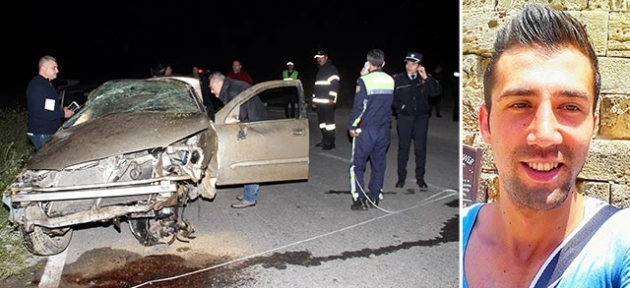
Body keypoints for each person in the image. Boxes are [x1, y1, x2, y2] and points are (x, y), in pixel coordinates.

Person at [462, 4, 630, 288]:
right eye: (520, 104)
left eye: (570, 107)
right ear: (486, 124)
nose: (544, 135)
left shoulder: (619, 245)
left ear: (593, 125)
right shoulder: (461, 230)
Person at [208, 72, 268, 208]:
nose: (211, 91)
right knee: (248, 161)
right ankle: (250, 190)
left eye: (212, 88)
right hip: (254, 124)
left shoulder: (233, 91)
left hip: (253, 127)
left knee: (248, 162)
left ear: (218, 83)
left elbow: (239, 115)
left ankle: (250, 198)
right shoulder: (232, 87)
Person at [348, 49, 394, 210]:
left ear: (368, 63)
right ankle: (375, 196)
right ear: (383, 63)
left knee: (357, 165)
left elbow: (359, 107)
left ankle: (359, 199)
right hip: (384, 130)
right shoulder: (390, 80)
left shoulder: (364, 81)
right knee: (379, 164)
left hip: (367, 130)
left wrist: (352, 125)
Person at [392, 52, 442, 189]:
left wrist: (426, 77)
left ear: (419, 65)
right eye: (408, 63)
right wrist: (400, 107)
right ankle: (401, 178)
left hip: (421, 118)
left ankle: (420, 178)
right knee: (403, 148)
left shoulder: (425, 79)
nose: (409, 66)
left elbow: (436, 93)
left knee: (420, 149)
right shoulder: (398, 78)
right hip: (405, 118)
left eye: (413, 64)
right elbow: (391, 97)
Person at [26, 55, 74, 150]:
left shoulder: (46, 84)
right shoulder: (38, 86)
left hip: (48, 131)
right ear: (44, 68)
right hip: (43, 133)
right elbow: (40, 112)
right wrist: (63, 113)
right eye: (54, 68)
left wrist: (60, 110)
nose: (57, 70)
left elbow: (48, 107)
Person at [311, 50, 340, 150]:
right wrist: (314, 100)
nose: (319, 59)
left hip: (328, 102)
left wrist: (332, 98)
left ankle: (331, 142)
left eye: (321, 57)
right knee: (322, 123)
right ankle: (324, 140)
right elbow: (317, 87)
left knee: (329, 124)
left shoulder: (332, 69)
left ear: (326, 57)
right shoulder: (319, 71)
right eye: (318, 58)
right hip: (319, 102)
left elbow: (335, 84)